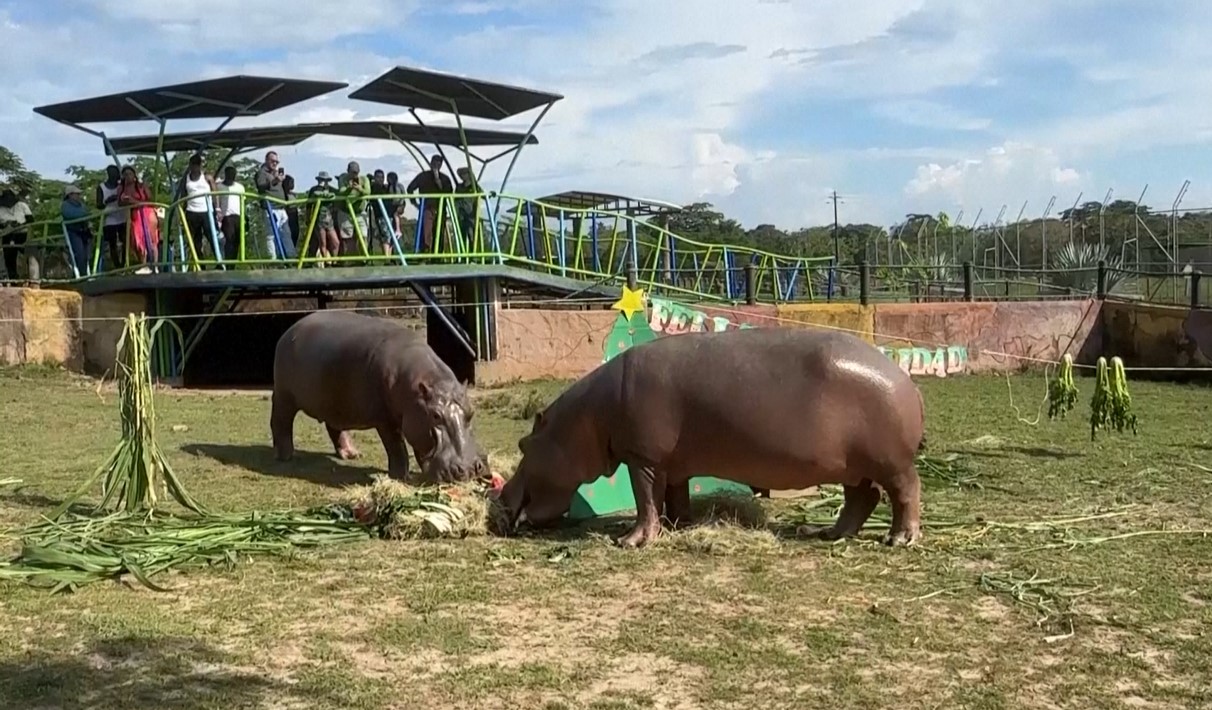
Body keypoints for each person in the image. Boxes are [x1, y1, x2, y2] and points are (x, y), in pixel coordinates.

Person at [405, 154, 453, 252]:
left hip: (440, 208)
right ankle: (425, 253)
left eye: (438, 164)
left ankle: (438, 255)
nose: (436, 166)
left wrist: (437, 180)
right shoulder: (423, 176)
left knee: (439, 232)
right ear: (431, 163)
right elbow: (410, 188)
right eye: (434, 163)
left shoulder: (445, 178)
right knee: (425, 231)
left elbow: (448, 192)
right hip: (427, 208)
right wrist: (415, 203)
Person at [254, 150, 295, 259]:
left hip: (281, 208)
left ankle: (290, 256)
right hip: (270, 208)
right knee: (271, 235)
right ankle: (272, 259)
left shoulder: (275, 173)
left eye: (277, 162)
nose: (275, 163)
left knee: (286, 234)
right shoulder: (261, 173)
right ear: (267, 160)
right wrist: (275, 180)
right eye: (273, 161)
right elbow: (261, 186)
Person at [118, 166, 159, 273]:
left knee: (151, 238)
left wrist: (134, 201)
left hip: (146, 212)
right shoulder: (121, 188)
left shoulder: (141, 186)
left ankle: (155, 265)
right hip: (134, 214)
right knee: (137, 240)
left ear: (134, 175)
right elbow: (119, 203)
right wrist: (128, 202)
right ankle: (144, 265)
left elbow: (150, 200)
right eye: (125, 174)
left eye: (129, 174)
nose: (127, 176)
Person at [179, 153, 217, 264]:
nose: (195, 167)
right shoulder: (186, 179)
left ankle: (220, 261)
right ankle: (199, 263)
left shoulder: (207, 177)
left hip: (206, 211)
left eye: (197, 165)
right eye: (193, 165)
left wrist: (217, 209)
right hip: (192, 211)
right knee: (195, 239)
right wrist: (182, 213)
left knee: (212, 236)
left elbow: (215, 194)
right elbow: (183, 195)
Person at [335, 161, 371, 257]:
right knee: (348, 237)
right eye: (352, 172)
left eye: (356, 172)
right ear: (348, 171)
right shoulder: (343, 178)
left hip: (360, 212)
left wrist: (360, 189)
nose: (354, 175)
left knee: (363, 236)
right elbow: (341, 192)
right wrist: (349, 188)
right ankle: (352, 259)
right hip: (345, 212)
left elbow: (368, 192)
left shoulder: (364, 179)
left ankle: (364, 259)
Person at [95, 165, 127, 270]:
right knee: (112, 243)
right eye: (115, 173)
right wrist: (108, 200)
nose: (117, 175)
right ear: (109, 174)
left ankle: (124, 263)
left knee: (125, 241)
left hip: (123, 217)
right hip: (109, 220)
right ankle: (117, 265)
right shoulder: (101, 187)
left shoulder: (121, 186)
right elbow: (99, 205)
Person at [60, 184, 95, 276]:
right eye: (76, 194)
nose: (78, 196)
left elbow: (86, 214)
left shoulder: (81, 205)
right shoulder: (65, 205)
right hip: (74, 232)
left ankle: (88, 272)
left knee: (88, 254)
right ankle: (82, 275)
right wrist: (84, 215)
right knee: (79, 254)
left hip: (85, 231)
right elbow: (70, 215)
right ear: (70, 195)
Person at [305, 171, 340, 265]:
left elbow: (337, 198)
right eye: (321, 179)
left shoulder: (332, 190)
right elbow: (309, 205)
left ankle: (334, 261)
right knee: (322, 243)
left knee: (336, 242)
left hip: (329, 219)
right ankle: (327, 263)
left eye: (325, 180)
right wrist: (308, 218)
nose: (323, 181)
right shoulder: (313, 190)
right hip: (318, 219)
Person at [0, 187, 34, 281]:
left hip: (23, 234)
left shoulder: (22, 205)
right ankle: (13, 280)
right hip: (7, 235)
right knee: (9, 259)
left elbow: (31, 220)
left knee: (29, 255)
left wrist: (20, 225)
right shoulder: (1, 209)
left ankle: (32, 278)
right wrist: (5, 224)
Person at [215, 165, 246, 261]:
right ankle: (227, 261)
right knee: (229, 239)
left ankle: (233, 262)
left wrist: (244, 217)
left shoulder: (240, 187)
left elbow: (243, 202)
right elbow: (216, 201)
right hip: (226, 217)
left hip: (238, 216)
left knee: (237, 240)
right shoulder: (219, 187)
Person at [369, 168, 397, 257]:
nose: (380, 179)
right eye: (378, 177)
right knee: (386, 236)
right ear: (375, 178)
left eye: (382, 177)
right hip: (381, 215)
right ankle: (387, 257)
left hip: (389, 214)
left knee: (391, 236)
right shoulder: (374, 188)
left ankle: (389, 256)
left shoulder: (386, 188)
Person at [454, 166, 480, 244]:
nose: (462, 176)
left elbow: (482, 194)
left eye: (464, 174)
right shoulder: (459, 187)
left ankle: (473, 255)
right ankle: (463, 256)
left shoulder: (474, 186)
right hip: (460, 215)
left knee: (471, 236)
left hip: (470, 215)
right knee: (461, 236)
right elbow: (455, 199)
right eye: (461, 174)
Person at [282, 174, 301, 258]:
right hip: (288, 217)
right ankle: (288, 255)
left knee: (295, 234)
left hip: (295, 216)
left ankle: (292, 253)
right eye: (291, 182)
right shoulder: (283, 194)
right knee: (288, 236)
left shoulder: (293, 194)